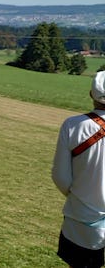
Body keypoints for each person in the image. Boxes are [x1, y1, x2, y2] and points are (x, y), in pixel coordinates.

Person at [52, 71, 105, 268]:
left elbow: (60, 177)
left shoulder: (72, 125)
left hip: (82, 218)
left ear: (91, 94)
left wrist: (79, 196)